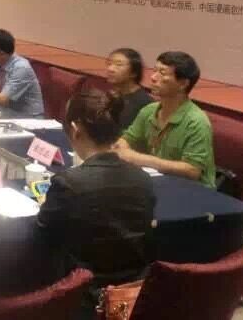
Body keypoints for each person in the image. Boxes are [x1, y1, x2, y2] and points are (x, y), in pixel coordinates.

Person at [37, 89, 155, 316]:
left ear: (75, 130)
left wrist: (47, 203)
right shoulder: (143, 179)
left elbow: (43, 232)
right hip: (130, 296)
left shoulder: (69, 183)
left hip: (80, 296)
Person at [115, 51, 216, 188]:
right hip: (159, 183)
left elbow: (192, 170)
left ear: (183, 83)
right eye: (154, 71)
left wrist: (137, 158)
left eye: (162, 73)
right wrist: (122, 148)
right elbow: (127, 139)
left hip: (192, 191)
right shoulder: (149, 110)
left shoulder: (197, 121)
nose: (153, 78)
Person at [106, 48, 153, 132]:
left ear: (134, 72)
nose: (110, 69)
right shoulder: (112, 96)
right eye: (109, 64)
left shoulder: (145, 103)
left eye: (118, 65)